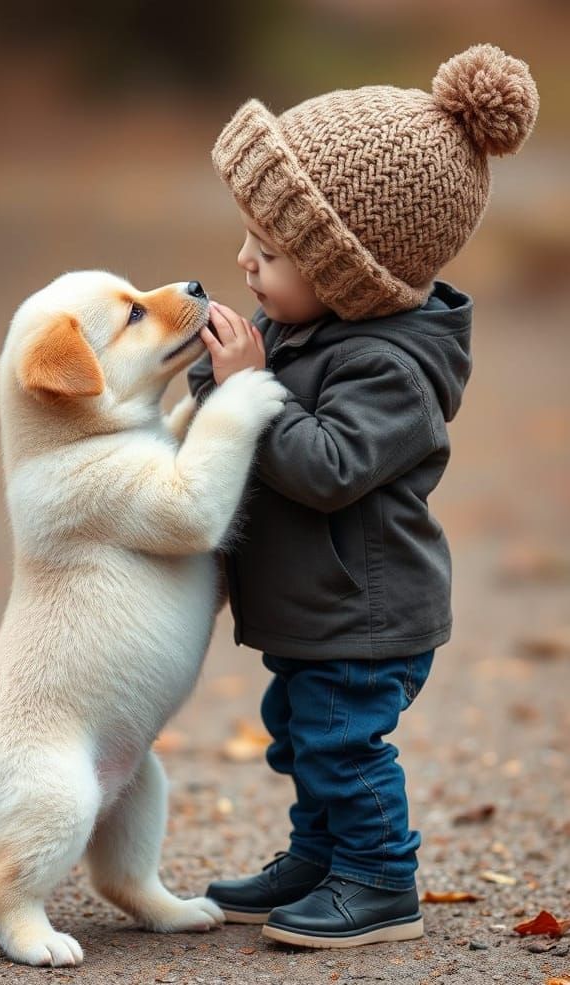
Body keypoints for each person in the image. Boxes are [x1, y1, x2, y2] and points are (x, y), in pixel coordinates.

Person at [186, 44, 538, 948]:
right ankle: (321, 857)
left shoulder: (391, 370)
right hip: (318, 605)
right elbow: (253, 419)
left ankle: (380, 879)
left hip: (367, 615)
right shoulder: (302, 328)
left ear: (348, 273)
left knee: (341, 742)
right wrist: (211, 378)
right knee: (302, 735)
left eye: (269, 250)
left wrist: (246, 390)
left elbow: (326, 465)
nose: (245, 261)